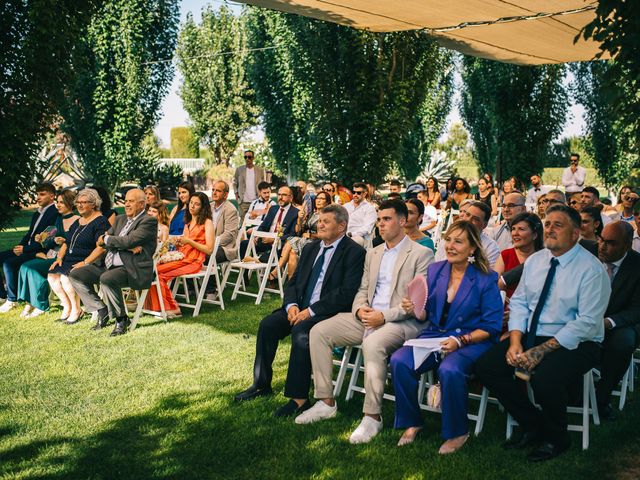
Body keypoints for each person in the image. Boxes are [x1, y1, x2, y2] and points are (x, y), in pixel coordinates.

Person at [475, 204, 610, 462]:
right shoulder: (536, 261)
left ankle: (556, 438)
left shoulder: (591, 270)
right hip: (532, 333)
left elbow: (587, 322)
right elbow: (520, 303)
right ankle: (533, 423)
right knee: (487, 366)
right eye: (547, 223)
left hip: (579, 342)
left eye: (558, 225)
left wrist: (540, 351)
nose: (549, 229)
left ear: (575, 233)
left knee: (544, 377)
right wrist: (515, 341)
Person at [295, 200, 434, 445]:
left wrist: (384, 316)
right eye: (379, 219)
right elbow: (361, 289)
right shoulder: (374, 252)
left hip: (401, 321)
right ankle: (326, 401)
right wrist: (360, 310)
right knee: (319, 331)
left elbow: (416, 301)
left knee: (373, 345)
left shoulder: (422, 254)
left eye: (387, 219)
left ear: (402, 221)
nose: (380, 223)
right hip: (367, 316)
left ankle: (372, 415)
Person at [234, 205, 366, 415]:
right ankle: (261, 384)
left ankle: (299, 398)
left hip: (327, 313)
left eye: (325, 221)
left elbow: (346, 293)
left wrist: (311, 311)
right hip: (299, 307)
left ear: (341, 226)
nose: (319, 224)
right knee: (268, 325)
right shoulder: (311, 248)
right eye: (319, 220)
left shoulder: (354, 252)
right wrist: (292, 305)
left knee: (301, 333)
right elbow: (294, 281)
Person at [391, 221, 503, 453]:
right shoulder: (436, 269)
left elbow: (492, 326)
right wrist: (414, 308)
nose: (450, 246)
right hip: (435, 336)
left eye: (458, 241)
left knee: (450, 369)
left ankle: (457, 432)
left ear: (472, 248)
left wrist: (461, 341)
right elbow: (427, 313)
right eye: (448, 239)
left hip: (472, 340)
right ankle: (412, 422)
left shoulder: (485, 278)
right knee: (399, 360)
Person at [69, 189, 157, 335]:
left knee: (107, 278)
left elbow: (128, 240)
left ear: (142, 204)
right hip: (108, 266)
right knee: (75, 274)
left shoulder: (149, 221)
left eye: (131, 201)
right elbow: (101, 241)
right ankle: (101, 308)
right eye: (126, 201)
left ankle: (121, 319)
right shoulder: (120, 219)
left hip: (131, 268)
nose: (127, 204)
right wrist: (123, 245)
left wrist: (112, 241)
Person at [595, 222, 640, 420]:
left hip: (619, 321)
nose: (602, 246)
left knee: (623, 342)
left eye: (610, 243)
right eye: (601, 239)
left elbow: (637, 309)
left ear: (628, 245)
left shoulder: (637, 266)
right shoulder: (588, 252)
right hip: (583, 316)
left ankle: (601, 399)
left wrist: (609, 322)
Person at [145, 192, 214, 318]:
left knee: (158, 274)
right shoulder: (188, 221)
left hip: (194, 261)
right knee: (153, 270)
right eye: (191, 203)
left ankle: (173, 308)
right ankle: (157, 306)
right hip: (182, 256)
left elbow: (209, 250)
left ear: (203, 207)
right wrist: (178, 242)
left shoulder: (207, 222)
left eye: (196, 204)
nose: (192, 206)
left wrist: (188, 241)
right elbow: (185, 243)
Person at [48, 189, 111, 324]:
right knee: (52, 276)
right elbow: (67, 242)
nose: (80, 205)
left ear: (94, 204)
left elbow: (101, 247)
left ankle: (76, 310)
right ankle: (67, 307)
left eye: (84, 202)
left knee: (65, 278)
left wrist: (85, 262)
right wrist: (59, 258)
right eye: (78, 203)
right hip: (69, 258)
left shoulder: (101, 221)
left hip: (88, 261)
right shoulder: (78, 222)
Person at [15, 190, 79, 318]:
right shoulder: (58, 220)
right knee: (25, 266)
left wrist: (63, 242)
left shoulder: (77, 220)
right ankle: (30, 302)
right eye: (57, 202)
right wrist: (41, 239)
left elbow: (78, 243)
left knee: (32, 268)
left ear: (69, 203)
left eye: (61, 202)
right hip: (51, 254)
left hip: (66, 258)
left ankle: (40, 305)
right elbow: (48, 241)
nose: (58, 205)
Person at [0, 182, 59, 311]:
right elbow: (30, 234)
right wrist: (20, 246)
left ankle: (12, 299)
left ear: (52, 196)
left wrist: (25, 250)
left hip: (39, 251)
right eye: (37, 194)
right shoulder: (37, 213)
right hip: (26, 247)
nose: (38, 197)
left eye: (42, 194)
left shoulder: (55, 213)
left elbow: (47, 240)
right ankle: (2, 295)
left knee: (9, 263)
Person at [494, 213, 544, 333]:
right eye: (513, 229)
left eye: (521, 229)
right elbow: (493, 287)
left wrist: (517, 313)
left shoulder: (544, 258)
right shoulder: (506, 255)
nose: (515, 233)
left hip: (532, 316)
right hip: (503, 313)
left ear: (535, 234)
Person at [271, 191, 332, 281]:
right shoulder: (312, 214)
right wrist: (300, 219)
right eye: (317, 198)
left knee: (290, 241)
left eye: (322, 199)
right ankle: (290, 283)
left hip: (317, 243)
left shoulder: (327, 216)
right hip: (305, 240)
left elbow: (327, 234)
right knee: (292, 252)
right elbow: (299, 231)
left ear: (327, 202)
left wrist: (311, 235)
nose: (318, 201)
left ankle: (276, 271)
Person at [239, 186, 299, 260]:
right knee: (244, 244)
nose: (280, 197)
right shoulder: (273, 209)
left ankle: (258, 260)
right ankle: (245, 270)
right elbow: (263, 225)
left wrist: (274, 239)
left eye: (284, 195)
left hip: (279, 243)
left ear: (291, 197)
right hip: (265, 241)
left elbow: (292, 234)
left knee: (273, 252)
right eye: (279, 194)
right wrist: (257, 235)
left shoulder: (295, 213)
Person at [435, 201, 500, 269]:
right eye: (467, 215)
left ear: (484, 225)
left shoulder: (491, 248)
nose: (468, 220)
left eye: (475, 219)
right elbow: (436, 265)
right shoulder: (448, 239)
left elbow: (490, 275)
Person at [210, 180, 239, 264]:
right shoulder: (209, 206)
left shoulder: (231, 210)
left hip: (225, 248)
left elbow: (229, 235)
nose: (214, 193)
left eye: (218, 191)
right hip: (209, 245)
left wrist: (211, 243)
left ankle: (211, 277)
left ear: (226, 195)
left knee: (203, 256)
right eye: (213, 190)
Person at [234, 150, 266, 219]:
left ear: (253, 158)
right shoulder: (239, 169)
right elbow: (235, 183)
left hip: (256, 201)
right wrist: (236, 195)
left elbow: (263, 184)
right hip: (243, 202)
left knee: (255, 220)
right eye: (245, 157)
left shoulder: (260, 170)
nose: (247, 159)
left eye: (249, 157)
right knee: (243, 221)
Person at [344, 182, 377, 247]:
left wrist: (351, 234)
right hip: (344, 235)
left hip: (360, 237)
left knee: (353, 242)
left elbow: (367, 229)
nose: (355, 195)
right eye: (354, 192)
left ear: (364, 194)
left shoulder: (369, 208)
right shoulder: (346, 206)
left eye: (358, 193)